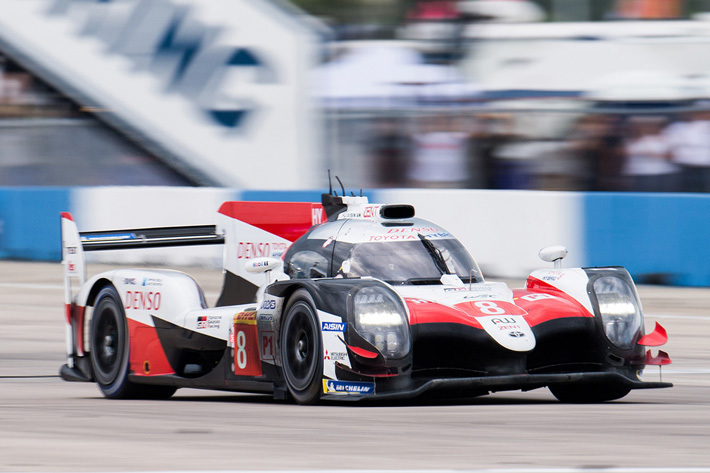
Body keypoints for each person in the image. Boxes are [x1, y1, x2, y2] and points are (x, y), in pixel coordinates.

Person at [621, 115, 680, 192]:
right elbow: (623, 152)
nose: (648, 127)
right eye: (644, 125)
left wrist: (654, 155)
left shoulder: (668, 138)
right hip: (638, 174)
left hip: (664, 173)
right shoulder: (632, 139)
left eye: (651, 125)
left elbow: (674, 155)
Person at [663, 107, 710, 193]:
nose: (703, 115)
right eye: (700, 112)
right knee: (686, 192)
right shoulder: (677, 127)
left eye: (706, 112)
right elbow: (668, 146)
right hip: (684, 167)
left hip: (707, 169)